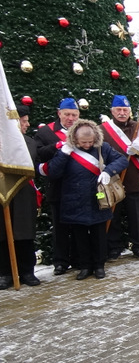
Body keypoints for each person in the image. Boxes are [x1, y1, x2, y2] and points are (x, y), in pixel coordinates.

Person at [42, 119, 127, 280]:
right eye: (83, 142)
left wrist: (108, 171)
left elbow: (122, 160)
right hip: (74, 199)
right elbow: (53, 172)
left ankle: (99, 266)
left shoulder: (102, 147)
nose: (87, 145)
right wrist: (63, 154)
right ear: (75, 139)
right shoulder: (66, 150)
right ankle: (85, 266)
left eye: (90, 142)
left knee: (99, 236)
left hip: (97, 199)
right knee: (79, 237)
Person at [35, 97, 80, 276]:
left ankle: (78, 259)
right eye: (67, 114)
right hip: (58, 187)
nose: (71, 118)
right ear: (59, 113)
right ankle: (60, 262)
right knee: (60, 227)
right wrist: (57, 146)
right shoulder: (45, 132)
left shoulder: (84, 129)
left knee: (79, 226)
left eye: (74, 115)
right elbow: (38, 154)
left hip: (79, 187)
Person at [101, 95, 139, 259]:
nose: (122, 113)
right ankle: (114, 247)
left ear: (130, 111)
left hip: (134, 177)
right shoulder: (103, 130)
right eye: (118, 110)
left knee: (136, 216)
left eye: (125, 110)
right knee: (113, 215)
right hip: (113, 179)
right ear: (112, 111)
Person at [0, 105, 41, 289]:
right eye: (24, 121)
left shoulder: (29, 142)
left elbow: (33, 164)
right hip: (2, 192)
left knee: (24, 234)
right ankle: (5, 273)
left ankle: (27, 271)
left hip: (23, 193)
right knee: (2, 234)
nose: (27, 124)